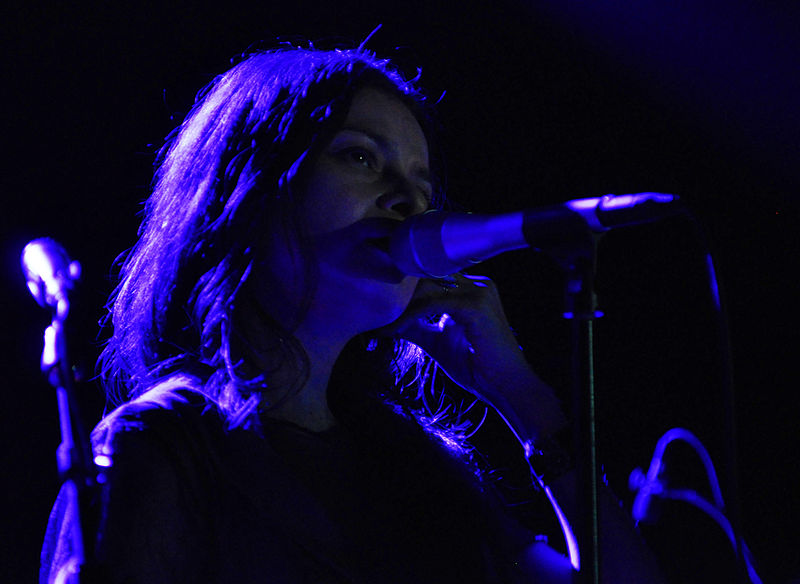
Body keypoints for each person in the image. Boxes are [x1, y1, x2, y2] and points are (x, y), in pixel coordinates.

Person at [40, 44, 664, 583]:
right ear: (252, 187)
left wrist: (521, 396)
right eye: (361, 157)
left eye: (423, 186)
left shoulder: (419, 469)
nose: (408, 201)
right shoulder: (164, 446)